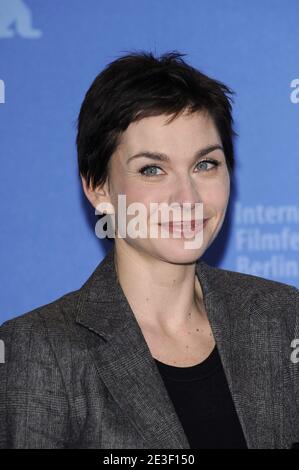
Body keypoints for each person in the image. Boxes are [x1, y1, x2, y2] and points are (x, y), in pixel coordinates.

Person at [0, 50, 298, 449]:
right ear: (98, 187)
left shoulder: (283, 319)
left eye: (205, 164)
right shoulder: (38, 349)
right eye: (152, 170)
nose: (186, 197)